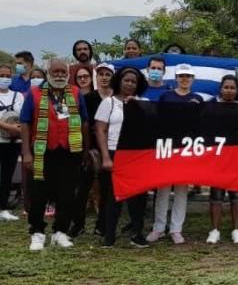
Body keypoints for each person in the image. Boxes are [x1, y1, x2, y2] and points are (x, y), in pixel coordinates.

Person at [20, 58, 91, 251]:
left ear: (68, 74)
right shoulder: (34, 93)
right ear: (48, 74)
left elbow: (84, 121)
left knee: (67, 194)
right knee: (39, 193)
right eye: (55, 72)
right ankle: (37, 232)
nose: (59, 75)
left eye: (62, 72)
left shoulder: (75, 92)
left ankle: (60, 231)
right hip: (42, 152)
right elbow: (25, 122)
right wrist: (26, 152)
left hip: (69, 151)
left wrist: (85, 148)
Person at [148, 64, 204, 244]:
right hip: (167, 147)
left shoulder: (197, 98)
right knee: (163, 190)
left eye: (188, 76)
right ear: (176, 78)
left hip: (186, 150)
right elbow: (157, 120)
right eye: (181, 76)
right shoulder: (166, 96)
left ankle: (176, 229)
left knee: (181, 190)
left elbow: (202, 124)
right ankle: (158, 227)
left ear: (193, 79)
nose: (185, 79)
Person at [95, 67, 150, 248]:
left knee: (138, 197)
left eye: (133, 82)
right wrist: (105, 157)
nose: (129, 84)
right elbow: (101, 130)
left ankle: (137, 233)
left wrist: (137, 107)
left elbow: (152, 126)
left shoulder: (144, 102)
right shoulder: (108, 103)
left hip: (136, 155)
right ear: (119, 81)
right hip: (114, 152)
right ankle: (109, 235)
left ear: (138, 85)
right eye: (126, 80)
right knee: (113, 196)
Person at [71, 62, 115, 237]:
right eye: (101, 74)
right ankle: (78, 224)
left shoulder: (117, 100)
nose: (104, 77)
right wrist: (86, 150)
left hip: (111, 149)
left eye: (107, 74)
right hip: (90, 149)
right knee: (82, 189)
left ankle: (102, 225)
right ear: (96, 77)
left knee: (106, 190)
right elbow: (84, 124)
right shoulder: (88, 98)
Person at [207, 75, 238, 244]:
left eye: (232, 88)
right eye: (226, 87)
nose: (229, 90)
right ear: (221, 89)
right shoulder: (211, 105)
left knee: (236, 195)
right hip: (217, 157)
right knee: (216, 195)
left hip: (236, 157)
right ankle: (215, 230)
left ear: (237, 91)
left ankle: (236, 230)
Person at [0, 64, 23, 221]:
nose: (5, 78)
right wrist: (7, 126)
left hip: (15, 141)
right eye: (2, 75)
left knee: (7, 174)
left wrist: (18, 129)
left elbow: (24, 115)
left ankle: (4, 207)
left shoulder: (18, 95)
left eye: (8, 76)